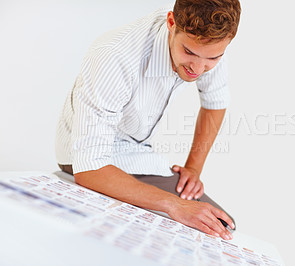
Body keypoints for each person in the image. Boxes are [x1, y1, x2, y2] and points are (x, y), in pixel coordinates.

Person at [56, 0, 241, 240]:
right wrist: (174, 205)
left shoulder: (209, 44)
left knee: (220, 226)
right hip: (85, 158)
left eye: (213, 59)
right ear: (171, 23)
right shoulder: (115, 56)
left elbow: (215, 102)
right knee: (212, 228)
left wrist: (193, 169)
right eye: (189, 52)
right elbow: (89, 167)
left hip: (136, 152)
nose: (198, 67)